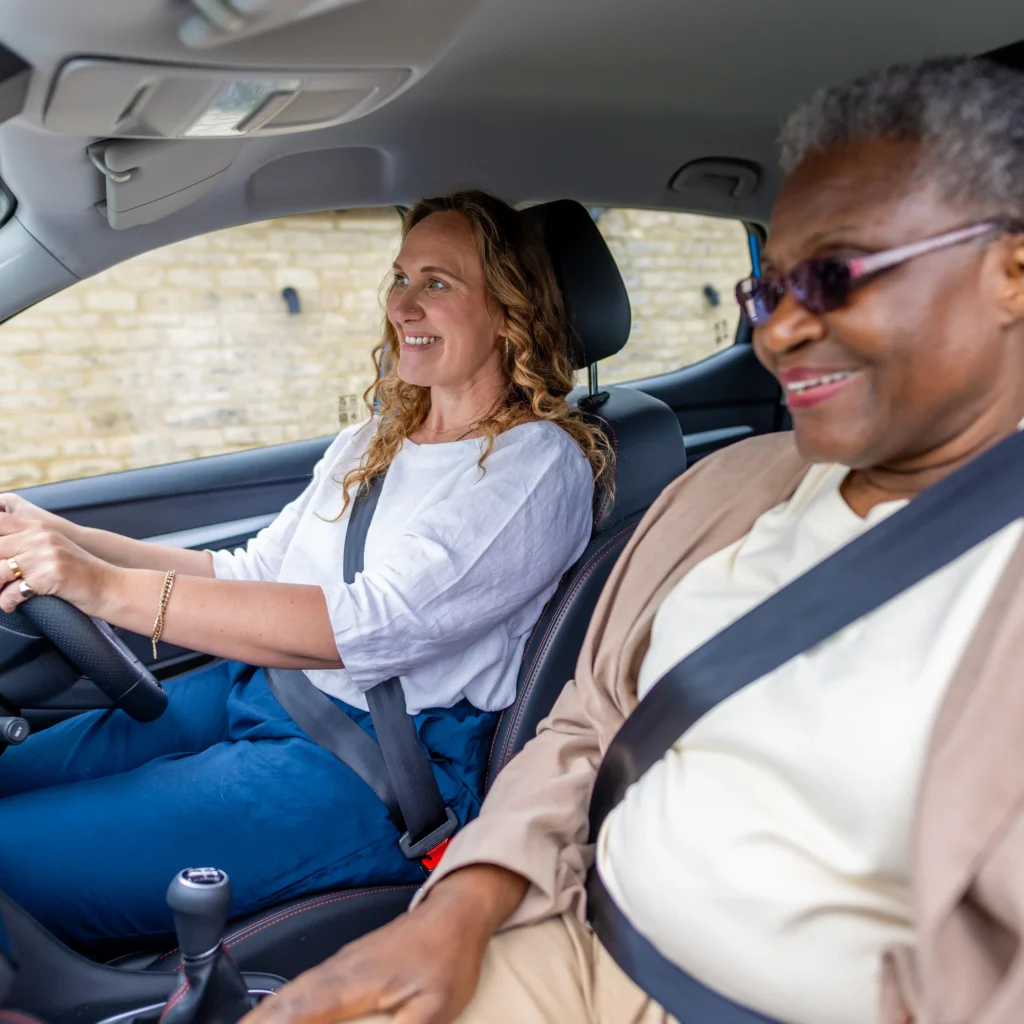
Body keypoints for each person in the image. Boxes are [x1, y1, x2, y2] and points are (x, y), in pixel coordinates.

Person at [240, 57, 1024, 1024]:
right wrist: (459, 909)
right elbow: (585, 724)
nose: (780, 335)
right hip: (564, 935)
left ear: (1010, 272)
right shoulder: (727, 489)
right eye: (766, 293)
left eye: (834, 276)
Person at [0, 190, 610, 949]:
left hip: (374, 763)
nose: (402, 307)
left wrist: (99, 586)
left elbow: (370, 626)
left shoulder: (536, 465)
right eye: (400, 278)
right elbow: (252, 570)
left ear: (509, 310)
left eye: (438, 283)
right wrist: (67, 538)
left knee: (10, 861)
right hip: (264, 690)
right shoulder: (374, 439)